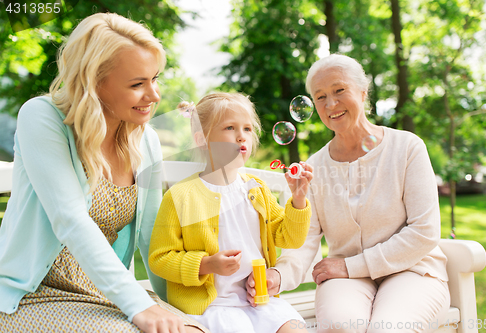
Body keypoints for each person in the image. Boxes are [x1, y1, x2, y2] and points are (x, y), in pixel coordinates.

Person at [0, 12, 206, 333]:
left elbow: (153, 236)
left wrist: (177, 307)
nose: (154, 95)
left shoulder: (146, 139)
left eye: (155, 78)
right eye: (138, 84)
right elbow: (71, 219)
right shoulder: (42, 117)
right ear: (94, 82)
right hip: (35, 293)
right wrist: (140, 306)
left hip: (106, 291)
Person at [248, 54, 451, 333]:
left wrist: (351, 266)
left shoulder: (407, 147)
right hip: (345, 280)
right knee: (340, 327)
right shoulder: (315, 167)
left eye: (339, 90)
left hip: (413, 270)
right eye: (320, 97)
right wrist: (278, 275)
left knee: (388, 329)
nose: (330, 104)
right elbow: (306, 239)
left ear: (363, 92)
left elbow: (424, 232)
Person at [148, 92, 313, 333]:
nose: (241, 136)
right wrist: (206, 265)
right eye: (229, 128)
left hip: (259, 302)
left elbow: (290, 238)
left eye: (247, 129)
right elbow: (160, 259)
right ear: (202, 140)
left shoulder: (257, 189)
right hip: (213, 306)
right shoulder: (180, 196)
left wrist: (298, 200)